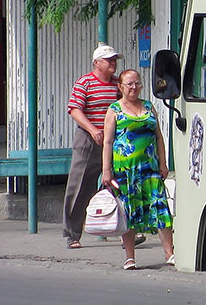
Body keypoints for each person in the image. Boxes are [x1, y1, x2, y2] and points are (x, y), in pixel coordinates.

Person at [101, 69, 175, 270]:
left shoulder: (149, 107)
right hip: (126, 170)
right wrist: (106, 170)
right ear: (121, 87)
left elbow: (158, 137)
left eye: (137, 83)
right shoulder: (114, 110)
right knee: (129, 212)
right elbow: (107, 142)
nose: (134, 87)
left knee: (160, 207)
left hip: (150, 169)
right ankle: (130, 257)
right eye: (129, 84)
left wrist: (163, 163)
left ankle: (170, 253)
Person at [62, 44, 122, 248]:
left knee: (120, 183)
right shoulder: (85, 83)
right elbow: (75, 110)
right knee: (79, 185)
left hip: (112, 140)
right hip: (89, 139)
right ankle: (72, 234)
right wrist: (93, 130)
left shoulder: (117, 85)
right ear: (97, 63)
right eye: (109, 60)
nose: (113, 63)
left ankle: (127, 232)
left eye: (114, 60)